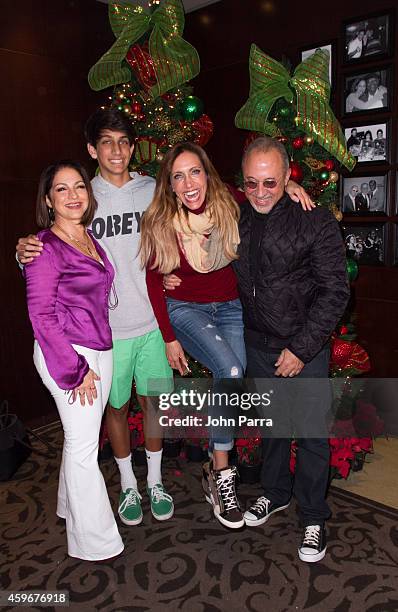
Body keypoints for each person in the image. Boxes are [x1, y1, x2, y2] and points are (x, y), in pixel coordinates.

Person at [141, 142, 313, 530]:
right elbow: (154, 283)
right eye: (178, 176)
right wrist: (169, 337)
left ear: (207, 173)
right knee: (232, 369)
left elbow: (263, 188)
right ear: (169, 185)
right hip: (185, 309)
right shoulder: (161, 219)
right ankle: (222, 475)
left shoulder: (229, 200)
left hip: (230, 306)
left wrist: (290, 187)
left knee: (231, 378)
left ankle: (211, 469)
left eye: (195, 172)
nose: (189, 183)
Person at [16, 109, 174, 527]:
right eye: (106, 141)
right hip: (109, 331)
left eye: (124, 141)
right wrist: (23, 251)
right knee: (116, 409)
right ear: (92, 149)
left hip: (153, 323)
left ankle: (155, 481)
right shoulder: (84, 196)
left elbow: (200, 206)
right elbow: (51, 248)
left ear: (133, 146)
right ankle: (127, 485)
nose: (116, 150)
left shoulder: (153, 189)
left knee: (154, 404)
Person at [233, 136, 349, 562]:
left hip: (305, 347)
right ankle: (275, 493)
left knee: (313, 434)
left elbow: (336, 290)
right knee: (274, 427)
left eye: (270, 183)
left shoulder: (314, 220)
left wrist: (301, 348)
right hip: (256, 342)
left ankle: (315, 516)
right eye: (251, 184)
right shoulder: (235, 213)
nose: (261, 193)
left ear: (287, 178)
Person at [25, 160, 124, 561]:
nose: (72, 196)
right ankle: (94, 543)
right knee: (84, 450)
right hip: (67, 355)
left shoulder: (87, 237)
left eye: (79, 186)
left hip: (100, 347)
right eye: (61, 189)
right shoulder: (43, 247)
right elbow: (42, 317)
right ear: (48, 200)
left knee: (78, 439)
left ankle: (69, 508)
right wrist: (75, 371)